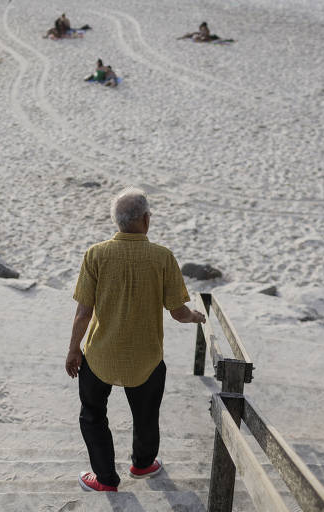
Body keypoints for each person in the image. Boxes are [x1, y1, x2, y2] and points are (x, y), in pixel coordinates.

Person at [66, 187, 206, 492]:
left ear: (117, 221)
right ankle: (142, 464)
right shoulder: (162, 257)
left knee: (92, 414)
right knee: (145, 415)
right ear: (145, 219)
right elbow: (178, 312)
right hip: (146, 358)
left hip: (100, 354)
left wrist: (73, 349)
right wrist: (196, 317)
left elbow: (83, 313)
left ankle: (104, 480)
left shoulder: (96, 254)